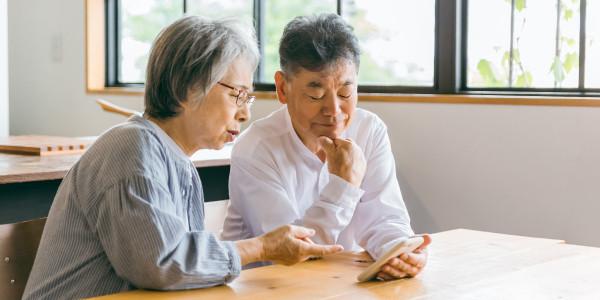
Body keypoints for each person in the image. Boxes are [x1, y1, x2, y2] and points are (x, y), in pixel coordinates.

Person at [23, 15, 342, 300]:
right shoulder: (131, 149)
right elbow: (163, 266)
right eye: (237, 95)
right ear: (187, 90)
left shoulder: (178, 163)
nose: (245, 113)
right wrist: (262, 247)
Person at [222, 13, 431, 280]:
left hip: (342, 285)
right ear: (282, 88)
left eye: (345, 93)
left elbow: (385, 219)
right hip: (268, 289)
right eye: (315, 94)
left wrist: (400, 252)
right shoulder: (255, 149)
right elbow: (292, 254)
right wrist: (343, 184)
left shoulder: (370, 130)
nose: (334, 111)